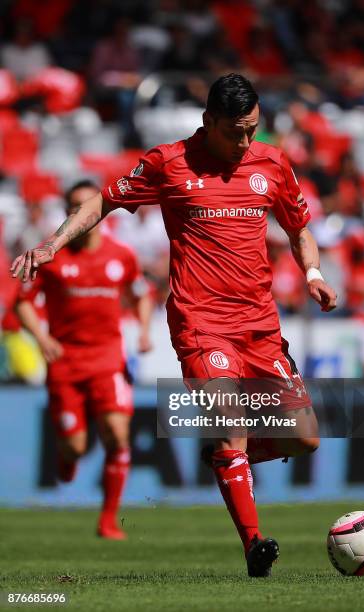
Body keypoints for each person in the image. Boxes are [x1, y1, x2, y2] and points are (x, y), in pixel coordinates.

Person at [11, 74, 337, 575]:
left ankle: (228, 463)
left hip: (261, 326)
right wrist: (54, 243)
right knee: (233, 426)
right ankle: (253, 544)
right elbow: (102, 200)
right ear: (208, 122)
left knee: (304, 437)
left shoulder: (271, 164)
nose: (245, 141)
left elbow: (300, 229)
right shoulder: (168, 163)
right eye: (235, 131)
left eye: (252, 129)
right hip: (201, 322)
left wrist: (312, 273)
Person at [14, 179, 153, 540]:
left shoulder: (121, 256)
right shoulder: (50, 256)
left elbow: (141, 294)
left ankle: (108, 521)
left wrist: (143, 331)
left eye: (85, 205)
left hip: (108, 358)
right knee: (75, 446)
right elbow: (22, 302)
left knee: (117, 435)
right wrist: (42, 337)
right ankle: (68, 455)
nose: (80, 212)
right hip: (66, 360)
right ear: (65, 212)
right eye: (73, 206)